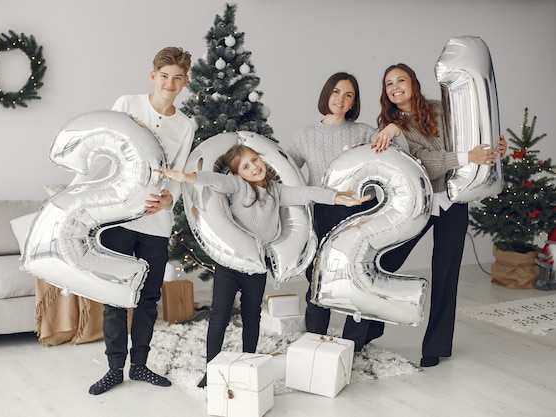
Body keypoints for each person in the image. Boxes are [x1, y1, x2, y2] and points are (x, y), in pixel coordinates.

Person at [158, 144, 371, 388]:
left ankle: (249, 360)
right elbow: (217, 181)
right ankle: (211, 369)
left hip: (256, 268)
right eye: (246, 166)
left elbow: (306, 193)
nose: (254, 167)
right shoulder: (237, 186)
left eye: (255, 160)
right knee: (220, 317)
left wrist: (338, 197)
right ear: (239, 174)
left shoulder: (275, 191)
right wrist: (187, 177)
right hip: (230, 265)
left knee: (252, 316)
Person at [377, 63, 507, 367]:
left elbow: (470, 141)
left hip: (454, 202)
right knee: (385, 260)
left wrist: (494, 149)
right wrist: (465, 157)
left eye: (401, 80)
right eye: (389, 84)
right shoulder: (389, 126)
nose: (395, 87)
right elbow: (422, 163)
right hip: (418, 203)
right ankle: (368, 327)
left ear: (414, 83)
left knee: (446, 274)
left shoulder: (441, 109)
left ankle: (435, 347)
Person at [87, 46, 195, 395]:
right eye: (165, 76)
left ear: (185, 81)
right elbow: (108, 149)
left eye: (178, 78)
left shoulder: (186, 124)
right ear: (154, 76)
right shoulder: (127, 105)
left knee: (148, 298)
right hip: (118, 217)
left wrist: (169, 201)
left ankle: (140, 365)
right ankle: (114, 369)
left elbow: (179, 174)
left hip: (156, 225)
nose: (170, 83)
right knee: (116, 296)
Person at [287, 72, 407, 352]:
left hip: (361, 215)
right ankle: (314, 341)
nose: (341, 99)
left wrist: (393, 130)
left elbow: (401, 155)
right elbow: (286, 170)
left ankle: (354, 344)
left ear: (354, 102)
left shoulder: (364, 132)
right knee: (318, 278)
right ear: (327, 95)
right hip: (323, 213)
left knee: (358, 277)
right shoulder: (306, 135)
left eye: (349, 95)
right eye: (336, 92)